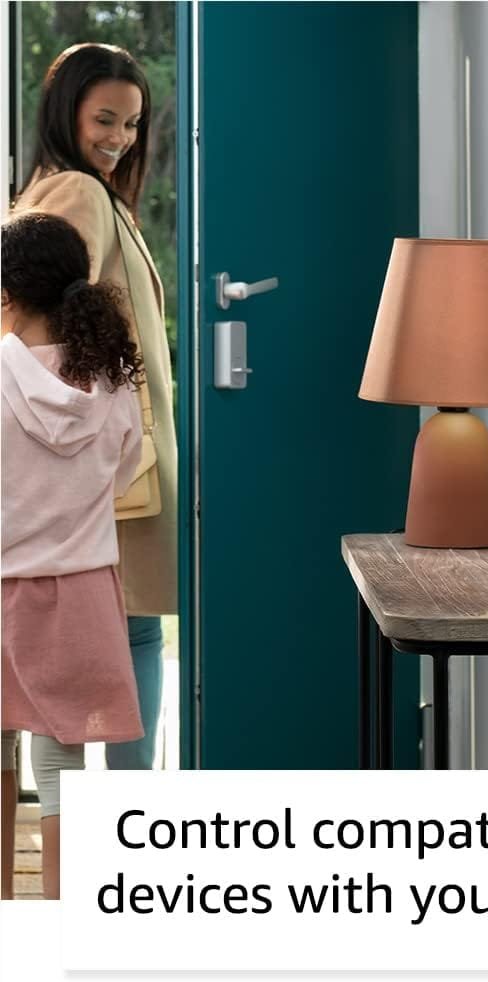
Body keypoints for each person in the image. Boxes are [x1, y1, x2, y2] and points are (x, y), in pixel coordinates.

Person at [14, 43, 178, 770]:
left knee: (128, 628)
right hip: (104, 460)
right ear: (65, 113)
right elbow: (42, 318)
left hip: (102, 454)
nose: (121, 138)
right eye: (104, 120)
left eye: (132, 124)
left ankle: (118, 805)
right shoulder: (78, 193)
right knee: (131, 628)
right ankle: (130, 809)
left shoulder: (88, 190)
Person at [1, 211, 146, 899]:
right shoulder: (111, 383)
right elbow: (123, 475)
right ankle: (62, 925)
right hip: (81, 596)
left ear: (6, 295)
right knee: (61, 766)